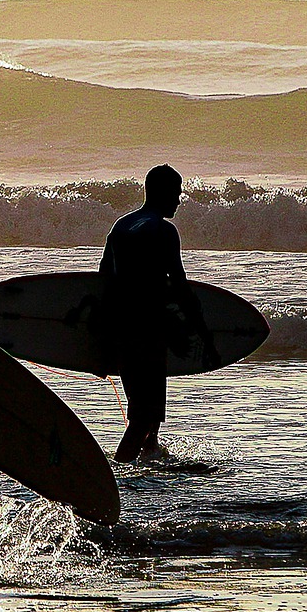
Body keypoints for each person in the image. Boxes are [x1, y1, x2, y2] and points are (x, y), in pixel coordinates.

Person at [100, 164, 214, 463]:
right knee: (143, 417)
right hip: (148, 332)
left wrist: (101, 338)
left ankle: (151, 465)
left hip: (123, 329)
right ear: (161, 192)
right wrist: (206, 337)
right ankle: (119, 474)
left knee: (146, 415)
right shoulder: (163, 231)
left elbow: (104, 282)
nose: (179, 199)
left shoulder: (121, 226)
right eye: (176, 193)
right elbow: (180, 288)